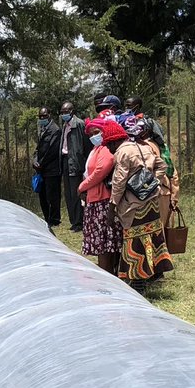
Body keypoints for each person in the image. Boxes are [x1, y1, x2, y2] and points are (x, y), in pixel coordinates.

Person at [111, 117, 173, 287]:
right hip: (151, 200)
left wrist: (113, 204)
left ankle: (138, 280)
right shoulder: (147, 147)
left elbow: (119, 181)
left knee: (135, 239)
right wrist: (152, 181)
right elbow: (163, 166)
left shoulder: (123, 151)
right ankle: (153, 274)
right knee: (152, 235)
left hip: (134, 203)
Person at [77, 117, 126, 274]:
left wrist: (82, 186)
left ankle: (108, 275)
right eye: (91, 134)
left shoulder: (105, 150)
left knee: (105, 243)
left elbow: (101, 170)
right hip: (94, 199)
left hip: (102, 201)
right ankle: (108, 273)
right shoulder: (95, 150)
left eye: (97, 132)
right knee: (102, 243)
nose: (94, 136)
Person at [125, 95, 177, 227]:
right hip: (152, 192)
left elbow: (166, 168)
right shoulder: (142, 146)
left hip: (154, 192)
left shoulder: (149, 146)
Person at [58, 100, 89, 231]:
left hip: (76, 162)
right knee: (68, 194)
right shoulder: (65, 125)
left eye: (66, 112)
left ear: (72, 111)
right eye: (62, 112)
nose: (64, 114)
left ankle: (79, 223)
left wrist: (84, 163)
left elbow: (86, 145)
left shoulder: (80, 125)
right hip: (65, 160)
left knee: (76, 194)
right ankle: (73, 221)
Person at [32, 107, 62, 228]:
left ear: (49, 115)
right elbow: (38, 149)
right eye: (40, 117)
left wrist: (42, 163)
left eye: (44, 116)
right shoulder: (41, 129)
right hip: (41, 169)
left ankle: (54, 219)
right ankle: (46, 217)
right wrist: (35, 161)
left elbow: (52, 150)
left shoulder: (55, 130)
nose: (42, 118)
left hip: (52, 168)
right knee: (42, 194)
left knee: (52, 195)